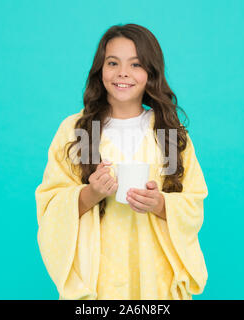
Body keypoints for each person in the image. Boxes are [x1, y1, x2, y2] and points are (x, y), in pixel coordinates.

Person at [35, 24, 209, 300]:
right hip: (99, 278)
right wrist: (91, 193)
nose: (123, 73)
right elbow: (50, 206)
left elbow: (193, 203)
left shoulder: (168, 132)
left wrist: (161, 204)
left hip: (156, 279)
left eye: (136, 64)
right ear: (99, 70)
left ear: (151, 73)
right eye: (112, 63)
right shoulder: (78, 130)